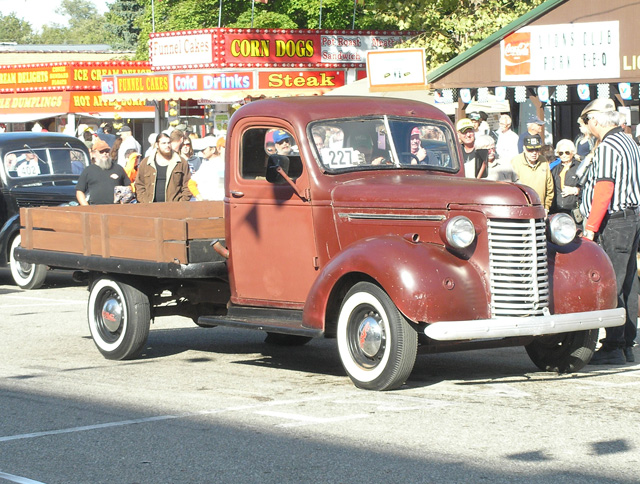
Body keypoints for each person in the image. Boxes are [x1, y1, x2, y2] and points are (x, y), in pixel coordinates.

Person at [579, 98, 640, 365]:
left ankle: (614, 345)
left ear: (594, 120)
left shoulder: (607, 148)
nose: (586, 126)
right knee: (629, 283)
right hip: (632, 218)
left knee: (613, 282)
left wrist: (590, 228)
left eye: (586, 121)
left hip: (616, 221)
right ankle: (626, 343)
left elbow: (604, 191)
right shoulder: (629, 141)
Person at [134, 132, 192, 203]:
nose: (167, 145)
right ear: (157, 145)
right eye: (163, 143)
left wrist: (181, 202)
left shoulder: (181, 162)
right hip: (150, 208)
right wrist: (144, 201)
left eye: (169, 143)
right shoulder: (146, 163)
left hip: (174, 208)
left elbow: (187, 185)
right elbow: (139, 184)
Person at [76, 139, 130, 205]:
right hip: (95, 210)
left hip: (116, 210)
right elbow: (79, 191)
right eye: (101, 151)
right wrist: (87, 207)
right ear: (93, 154)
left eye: (107, 151)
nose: (105, 153)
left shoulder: (118, 168)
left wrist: (123, 202)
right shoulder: (88, 171)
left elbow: (128, 187)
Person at [510, 134, 553, 212]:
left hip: (540, 208)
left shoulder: (544, 162)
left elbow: (549, 187)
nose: (534, 153)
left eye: (537, 150)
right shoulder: (515, 162)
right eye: (530, 150)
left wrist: (546, 208)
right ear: (524, 148)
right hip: (521, 207)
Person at [549, 139, 581, 221]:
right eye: (561, 153)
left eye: (567, 152)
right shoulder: (554, 169)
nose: (564, 155)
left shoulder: (579, 167)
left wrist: (576, 190)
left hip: (574, 212)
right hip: (557, 211)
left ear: (572, 152)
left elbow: (588, 187)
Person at [188, 136, 225, 201]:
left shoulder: (223, 164)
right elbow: (191, 183)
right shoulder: (205, 165)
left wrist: (199, 198)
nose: (202, 151)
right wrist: (199, 197)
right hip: (207, 205)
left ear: (213, 149)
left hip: (219, 204)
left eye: (204, 149)